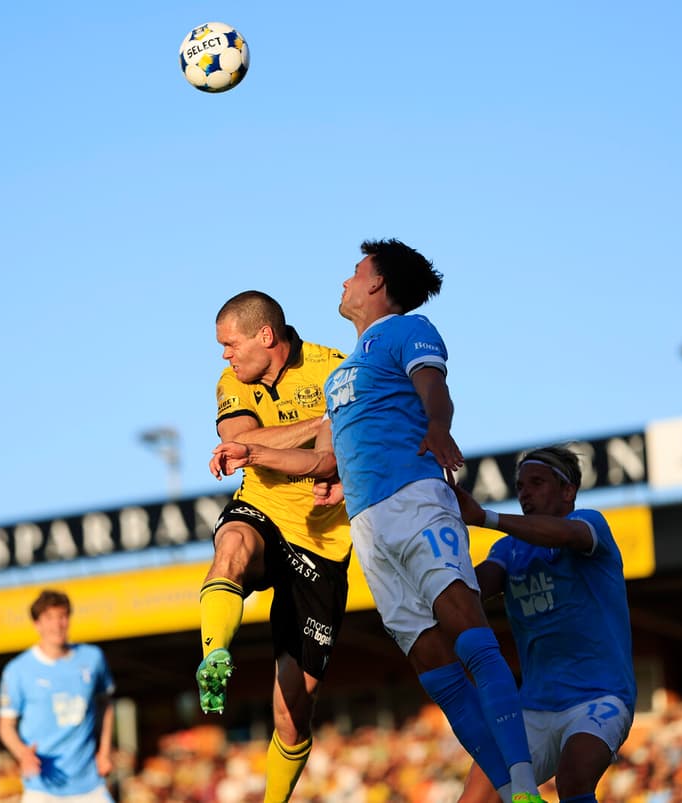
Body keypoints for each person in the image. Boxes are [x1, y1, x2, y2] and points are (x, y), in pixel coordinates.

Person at [212, 240, 542, 803]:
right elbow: (325, 459)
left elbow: (433, 387)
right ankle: (512, 793)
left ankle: (529, 786)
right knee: (433, 665)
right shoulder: (349, 370)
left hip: (414, 500)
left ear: (377, 285)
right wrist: (254, 454)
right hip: (368, 528)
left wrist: (438, 425)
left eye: (356, 271)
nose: (346, 279)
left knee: (467, 631)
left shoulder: (405, 329)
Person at [201, 290, 353, 803]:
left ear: (265, 336)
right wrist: (318, 425)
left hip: (322, 543)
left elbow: (328, 463)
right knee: (233, 545)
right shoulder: (232, 382)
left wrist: (267, 445)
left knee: (291, 712)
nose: (225, 355)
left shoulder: (335, 369)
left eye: (230, 344)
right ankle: (214, 654)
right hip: (263, 511)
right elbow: (238, 443)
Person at [452, 445, 636, 803]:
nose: (525, 492)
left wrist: (486, 517)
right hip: (533, 706)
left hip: (599, 696)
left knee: (573, 779)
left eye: (537, 483)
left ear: (568, 491)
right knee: (475, 797)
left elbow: (567, 536)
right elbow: (473, 591)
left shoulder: (590, 523)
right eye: (520, 486)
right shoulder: (507, 551)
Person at [0, 589, 116, 803]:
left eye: (62, 616)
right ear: (37, 624)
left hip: (89, 785)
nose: (57, 624)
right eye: (49, 618)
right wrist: (23, 754)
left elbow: (105, 705)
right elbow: (5, 725)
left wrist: (104, 752)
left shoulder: (93, 658)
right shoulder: (17, 670)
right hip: (42, 788)